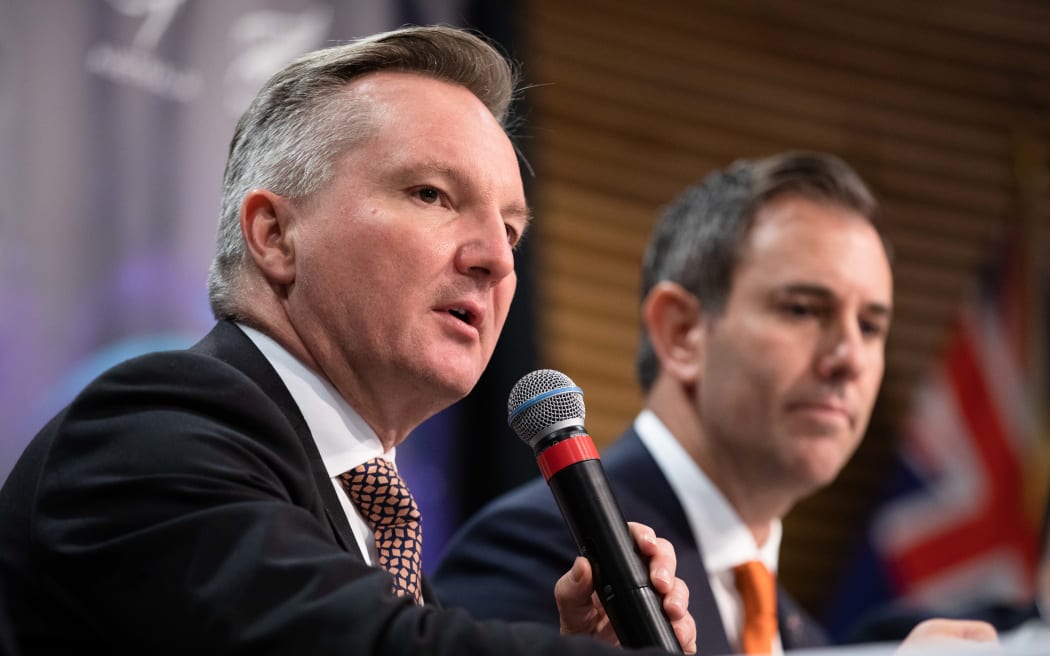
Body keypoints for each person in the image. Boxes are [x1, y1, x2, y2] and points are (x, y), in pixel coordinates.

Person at [0, 25, 698, 655]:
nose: (497, 257)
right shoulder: (150, 428)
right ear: (275, 236)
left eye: (512, 229)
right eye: (432, 194)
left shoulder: (373, 533)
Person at [433, 151, 896, 655]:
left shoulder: (805, 636)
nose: (850, 358)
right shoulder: (542, 552)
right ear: (682, 333)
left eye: (870, 326)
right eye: (804, 309)